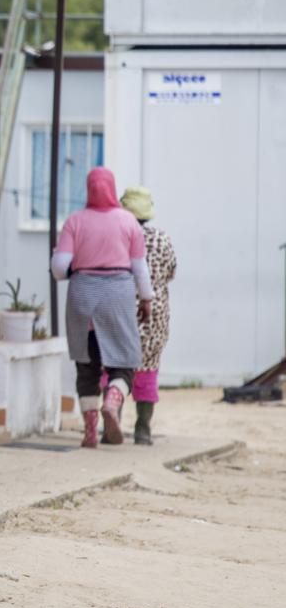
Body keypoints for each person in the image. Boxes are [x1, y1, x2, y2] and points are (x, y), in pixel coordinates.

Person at [51, 167, 154, 448]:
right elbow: (140, 269)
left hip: (83, 294)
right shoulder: (129, 222)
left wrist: (76, 268)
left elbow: (60, 269)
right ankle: (113, 399)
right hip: (118, 296)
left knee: (87, 368)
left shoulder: (75, 221)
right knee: (125, 363)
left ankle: (90, 431)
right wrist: (145, 299)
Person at [120, 186, 177, 445]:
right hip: (154, 318)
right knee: (148, 369)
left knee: (116, 367)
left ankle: (113, 420)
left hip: (120, 314)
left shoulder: (119, 237)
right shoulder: (162, 239)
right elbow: (171, 273)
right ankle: (142, 429)